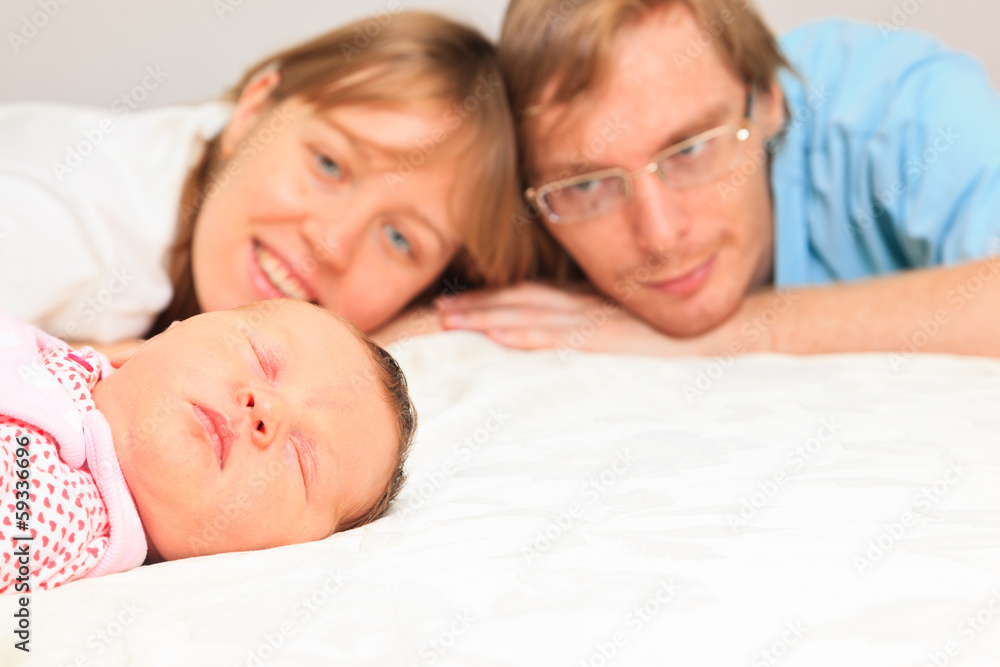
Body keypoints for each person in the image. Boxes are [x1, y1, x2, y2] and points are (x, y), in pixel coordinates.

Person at [438, 0, 1000, 358]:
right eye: (587, 185)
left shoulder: (903, 107)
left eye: (691, 149)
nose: (658, 236)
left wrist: (737, 335)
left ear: (770, 100)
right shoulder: (535, 206)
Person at [0, 11, 557, 353]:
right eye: (330, 165)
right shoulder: (70, 237)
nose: (332, 243)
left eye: (400, 240)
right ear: (253, 110)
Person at [0, 299, 415, 594]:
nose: (268, 409)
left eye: (303, 458)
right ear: (164, 334)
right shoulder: (59, 360)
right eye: (261, 358)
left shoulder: (55, 520)